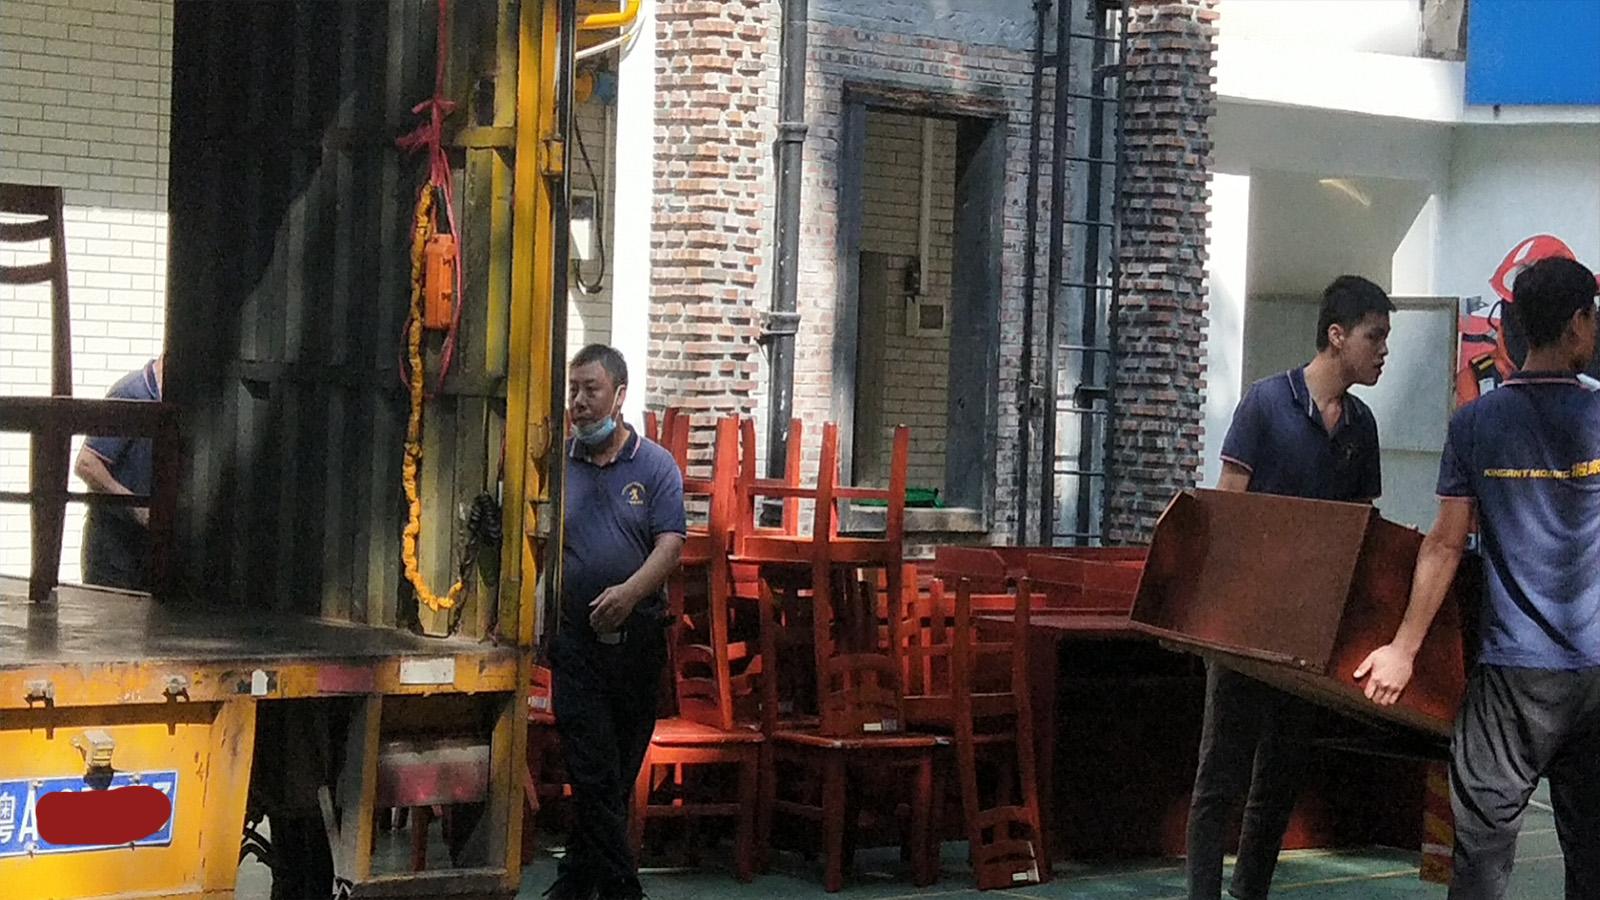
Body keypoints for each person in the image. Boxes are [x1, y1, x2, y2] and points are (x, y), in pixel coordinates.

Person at [1357, 257, 1600, 900]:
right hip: (1594, 677)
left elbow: (1444, 544)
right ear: (1577, 323)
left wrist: (1403, 649)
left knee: (1481, 865)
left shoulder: (1475, 422)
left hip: (1510, 681)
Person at [1187, 275, 1394, 900]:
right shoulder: (1265, 403)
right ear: (1337, 335)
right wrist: (1222, 617)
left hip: (1312, 630)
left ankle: (1250, 890)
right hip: (1247, 622)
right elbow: (1229, 508)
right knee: (1220, 773)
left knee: (1279, 774)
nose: (1383, 351)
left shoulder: (1361, 426)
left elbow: (1360, 528)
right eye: (1375, 337)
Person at [547, 344, 685, 900]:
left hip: (636, 646)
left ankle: (573, 887)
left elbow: (670, 545)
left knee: (614, 777)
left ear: (620, 395)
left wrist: (629, 594)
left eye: (591, 389)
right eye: (573, 390)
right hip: (576, 646)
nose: (578, 402)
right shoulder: (557, 464)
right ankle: (626, 892)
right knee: (593, 771)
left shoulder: (655, 466)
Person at [74, 355, 163, 591]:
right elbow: (86, 463)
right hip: (114, 543)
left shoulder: (170, 401)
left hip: (147, 544)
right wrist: (136, 507)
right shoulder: (131, 394)